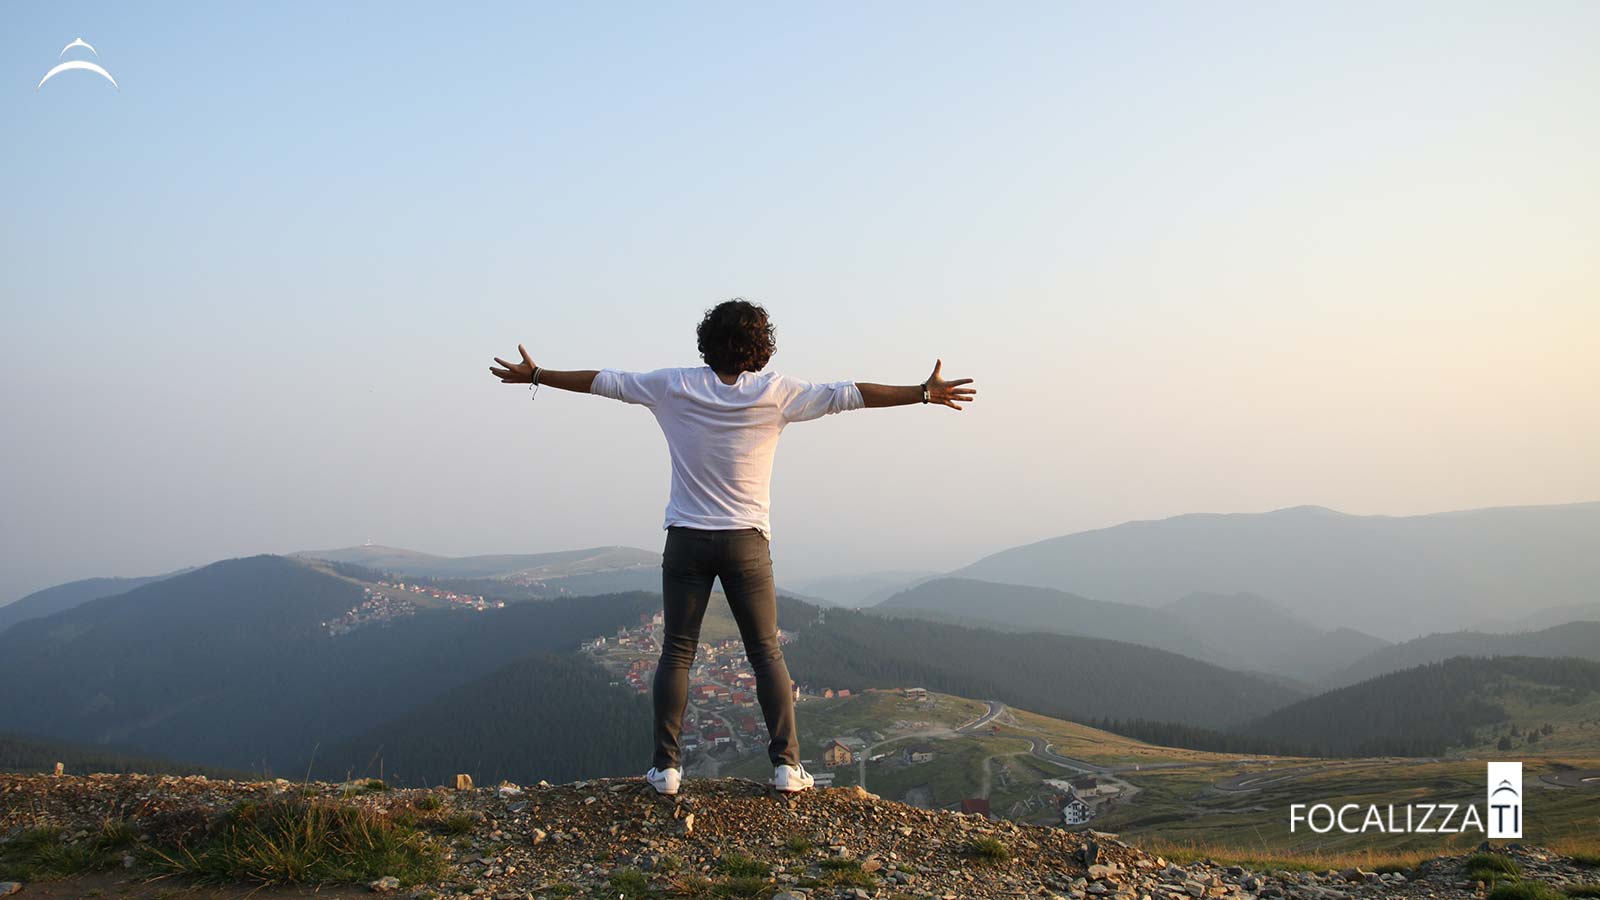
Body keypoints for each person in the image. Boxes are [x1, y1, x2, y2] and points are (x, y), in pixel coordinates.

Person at [489, 298, 976, 795]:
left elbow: (602, 381)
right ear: (760, 346)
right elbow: (850, 394)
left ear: (707, 340)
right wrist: (921, 393)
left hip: (686, 541)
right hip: (746, 542)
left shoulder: (672, 385)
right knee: (766, 653)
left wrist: (537, 375)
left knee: (677, 652)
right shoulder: (778, 392)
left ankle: (666, 769)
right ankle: (787, 767)